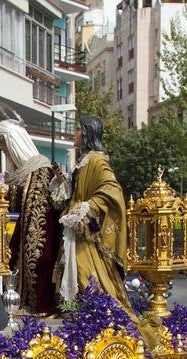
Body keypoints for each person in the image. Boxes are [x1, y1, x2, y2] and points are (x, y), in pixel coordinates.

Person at [57, 115, 128, 308]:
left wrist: (88, 207)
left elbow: (112, 189)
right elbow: (76, 192)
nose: (75, 133)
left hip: (88, 229)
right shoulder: (84, 161)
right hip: (76, 229)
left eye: (78, 129)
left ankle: (100, 314)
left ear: (88, 133)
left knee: (86, 272)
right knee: (78, 273)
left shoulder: (97, 160)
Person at [0, 117, 62, 317]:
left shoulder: (41, 170)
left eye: (3, 144)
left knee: (37, 263)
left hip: (40, 242)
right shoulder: (23, 173)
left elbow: (35, 203)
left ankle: (37, 305)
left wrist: (9, 190)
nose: (1, 149)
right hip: (20, 239)